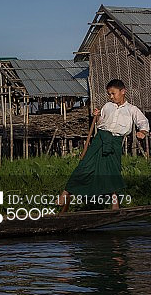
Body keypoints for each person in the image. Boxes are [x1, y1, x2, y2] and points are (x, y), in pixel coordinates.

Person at [59, 79, 149, 213]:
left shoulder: (132, 110)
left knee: (113, 172)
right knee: (85, 165)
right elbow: (101, 122)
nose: (111, 97)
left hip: (115, 143)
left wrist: (142, 132)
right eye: (109, 94)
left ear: (123, 91)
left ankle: (115, 206)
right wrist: (97, 116)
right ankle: (66, 192)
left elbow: (143, 122)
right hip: (100, 139)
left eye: (113, 93)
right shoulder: (107, 106)